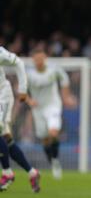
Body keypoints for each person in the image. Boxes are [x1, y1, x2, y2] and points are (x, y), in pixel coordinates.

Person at [26, 49, 77, 180]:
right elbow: (21, 90)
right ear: (33, 60)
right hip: (38, 109)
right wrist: (29, 100)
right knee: (45, 139)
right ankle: (53, 162)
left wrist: (66, 96)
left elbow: (64, 79)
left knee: (53, 132)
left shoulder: (54, 69)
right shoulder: (29, 74)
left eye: (41, 59)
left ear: (45, 58)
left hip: (53, 105)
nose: (39, 62)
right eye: (36, 59)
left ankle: (55, 161)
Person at [0, 46, 40, 192]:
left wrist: (23, 89)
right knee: (6, 138)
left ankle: (7, 173)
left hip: (2, 96)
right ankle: (32, 172)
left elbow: (18, 63)